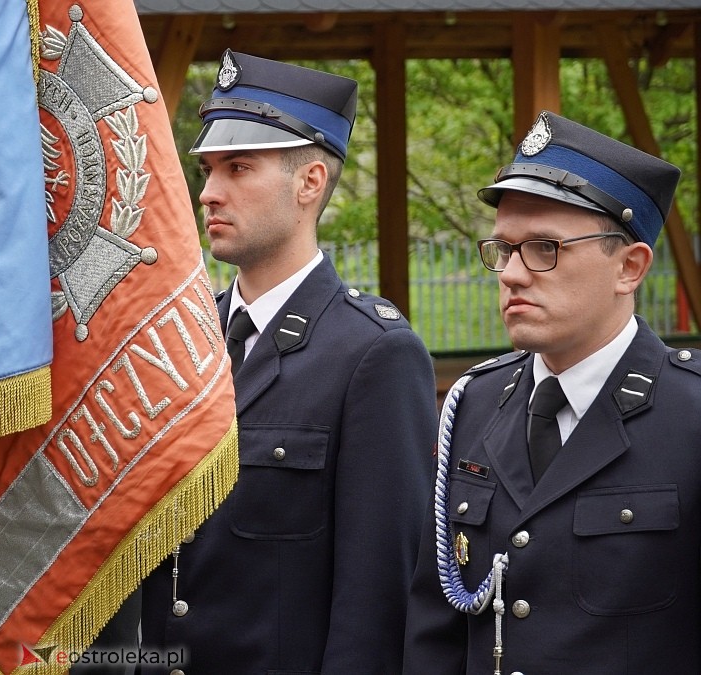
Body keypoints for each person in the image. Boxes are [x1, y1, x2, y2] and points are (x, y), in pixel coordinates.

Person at [138, 50, 436, 674]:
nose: (209, 192)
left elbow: (377, 602)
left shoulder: (372, 355)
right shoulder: (181, 340)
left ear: (310, 183)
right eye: (209, 169)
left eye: (239, 168)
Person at [403, 111, 691, 673]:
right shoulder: (474, 405)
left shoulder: (692, 416)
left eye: (544, 249)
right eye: (504, 250)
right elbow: (434, 627)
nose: (511, 273)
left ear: (629, 268)